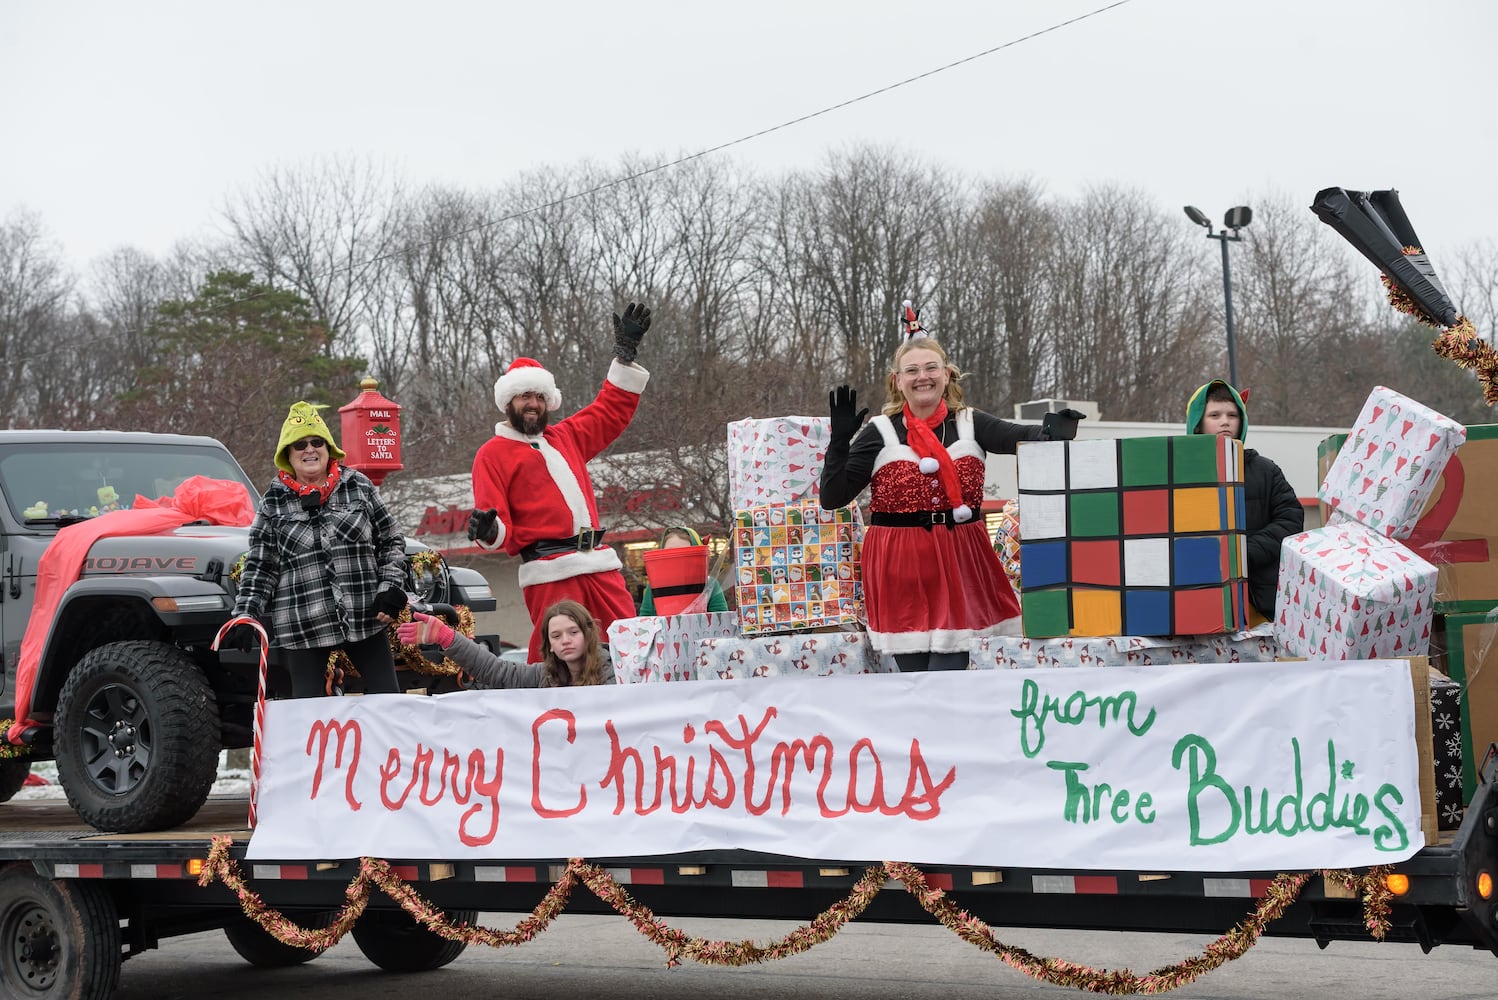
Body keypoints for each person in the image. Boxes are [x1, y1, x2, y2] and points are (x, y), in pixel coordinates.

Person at [820, 334, 1084, 672]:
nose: (922, 377)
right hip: (900, 568)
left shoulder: (971, 423)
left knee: (950, 671)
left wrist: (1054, 429)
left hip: (960, 560)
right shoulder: (879, 431)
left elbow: (1024, 437)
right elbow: (833, 497)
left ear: (946, 375)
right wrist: (840, 442)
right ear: (897, 381)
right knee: (914, 675)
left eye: (931, 368)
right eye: (912, 370)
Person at [467, 303, 651, 663]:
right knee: (559, 662)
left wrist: (624, 359)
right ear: (509, 402)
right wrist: (487, 529)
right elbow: (495, 524)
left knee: (633, 647)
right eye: (525, 397)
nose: (533, 404)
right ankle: (555, 717)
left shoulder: (565, 437)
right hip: (550, 573)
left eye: (539, 397)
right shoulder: (492, 453)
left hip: (599, 565)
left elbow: (609, 410)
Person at [227, 402, 408, 697]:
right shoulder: (273, 502)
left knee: (388, 700)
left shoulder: (358, 486)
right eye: (299, 444)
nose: (309, 449)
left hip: (365, 617)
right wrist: (246, 614)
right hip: (303, 627)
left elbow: (391, 539)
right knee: (309, 717)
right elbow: (261, 566)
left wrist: (390, 587)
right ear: (288, 454)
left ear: (328, 448)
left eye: (316, 442)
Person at [1186, 379, 1304, 624]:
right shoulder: (1180, 472)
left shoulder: (1266, 470)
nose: (1225, 421)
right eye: (1214, 414)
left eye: (1232, 414)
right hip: (1200, 602)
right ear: (1197, 423)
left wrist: (1243, 554)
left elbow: (1291, 519)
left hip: (1262, 605)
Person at [397, 599, 616, 687]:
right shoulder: (544, 676)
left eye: (573, 632)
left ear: (588, 635)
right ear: (549, 645)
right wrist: (446, 637)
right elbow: (495, 671)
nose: (565, 641)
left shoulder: (616, 675)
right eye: (556, 636)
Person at [638, 526, 729, 615]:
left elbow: (720, 620)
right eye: (670, 552)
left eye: (685, 552)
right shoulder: (654, 586)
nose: (677, 558)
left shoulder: (710, 584)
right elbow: (646, 622)